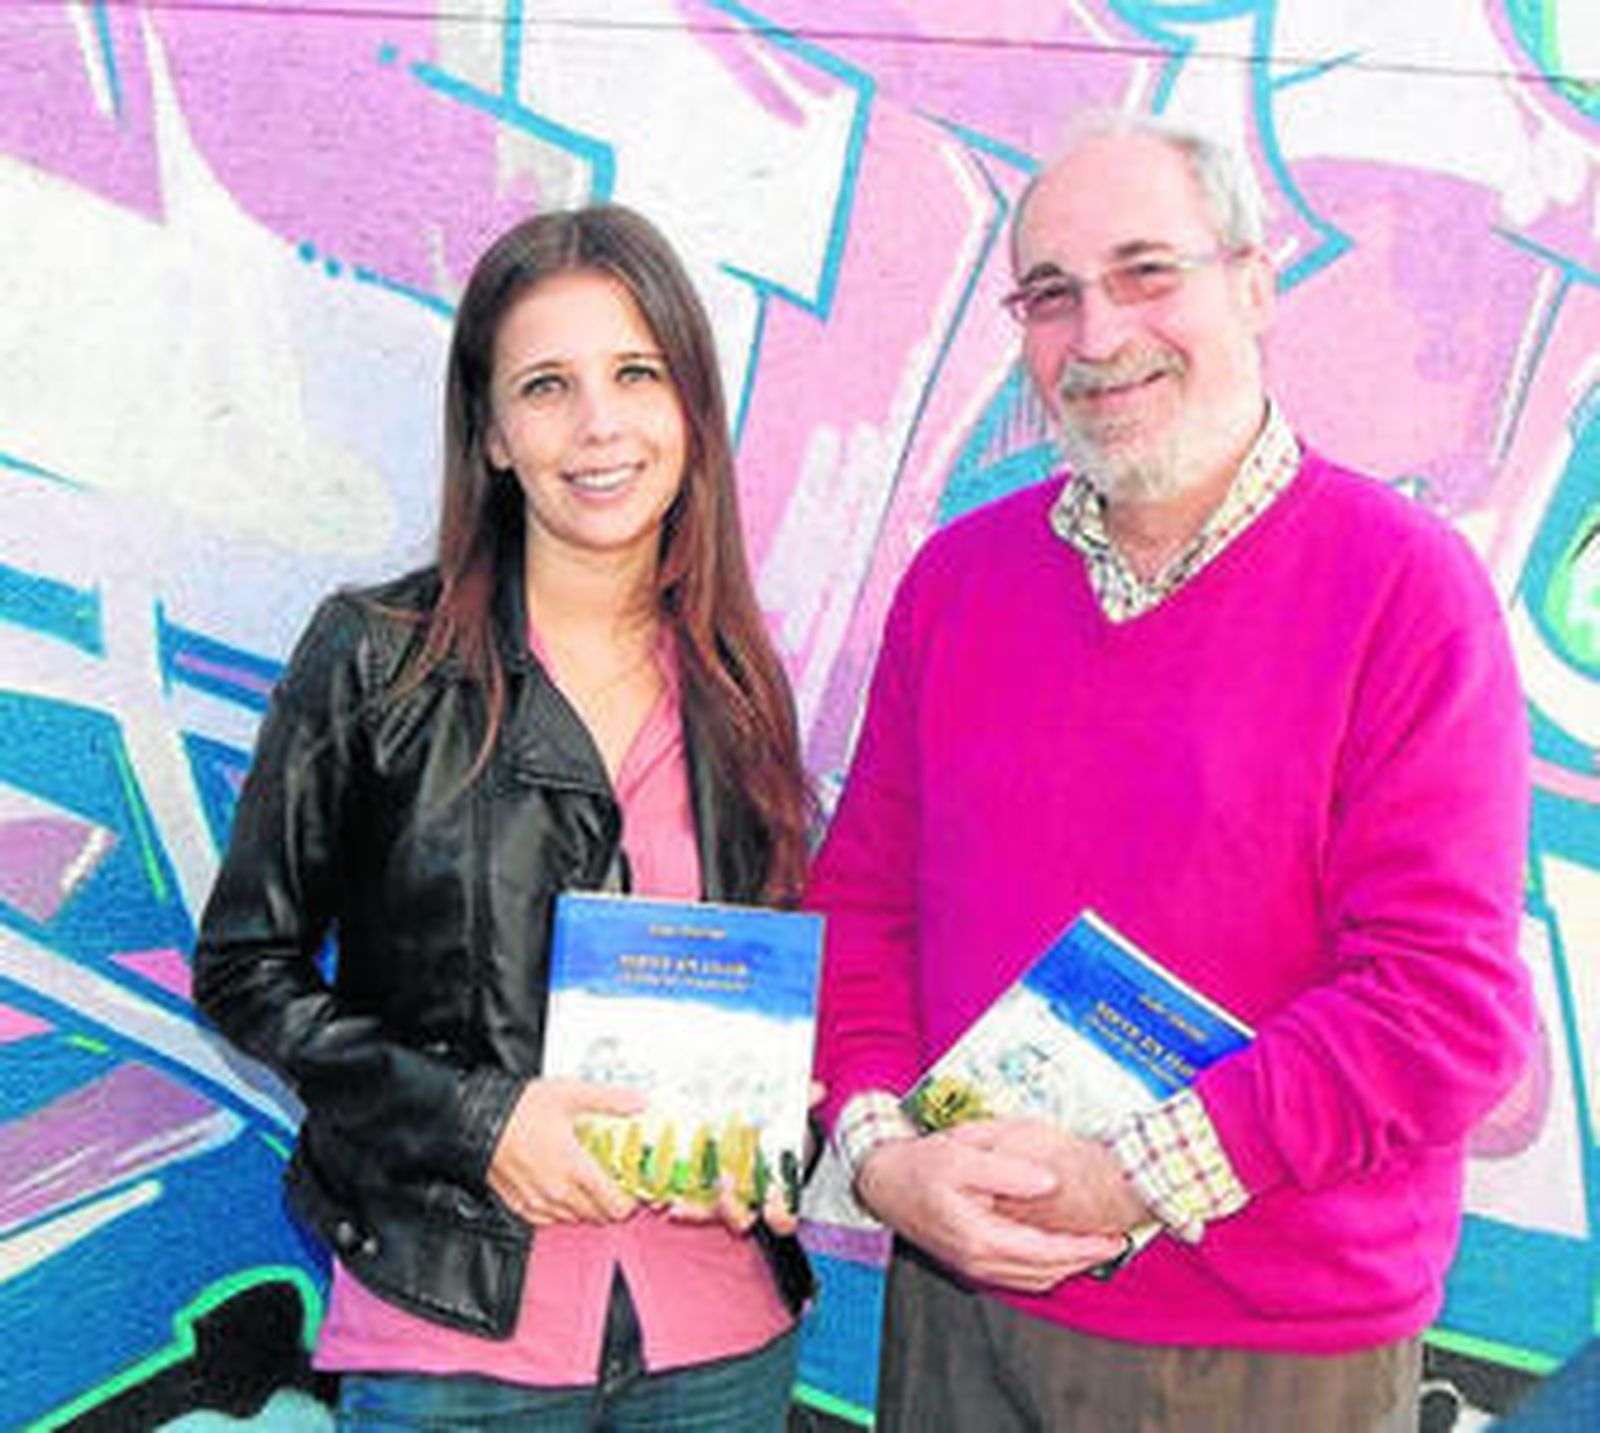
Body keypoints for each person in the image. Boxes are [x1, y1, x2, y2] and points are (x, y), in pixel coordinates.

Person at [810, 111, 1532, 1432]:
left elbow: (1446, 1008)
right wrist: (884, 1156)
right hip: (962, 1316)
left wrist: (1138, 1176)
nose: (1098, 336)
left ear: (1256, 282)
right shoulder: (958, 583)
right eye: (1051, 295)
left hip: (1265, 1356)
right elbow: (858, 912)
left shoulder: (1405, 593)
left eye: (1149, 272)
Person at [194, 203, 813, 1430]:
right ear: (490, 431)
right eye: (546, 384)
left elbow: (777, 975)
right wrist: (483, 1120)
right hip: (453, 1339)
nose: (598, 424)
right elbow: (245, 968)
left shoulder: (741, 681)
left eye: (636, 372)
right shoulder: (380, 659)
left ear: (688, 404)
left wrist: (789, 1105)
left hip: (721, 1338)